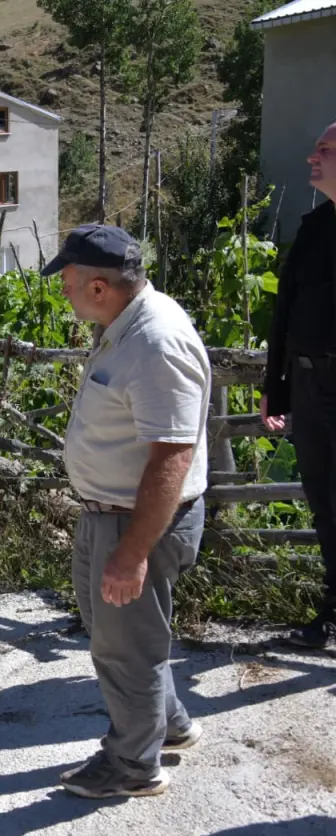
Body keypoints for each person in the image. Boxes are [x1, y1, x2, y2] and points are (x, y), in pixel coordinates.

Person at [46, 225, 211, 799]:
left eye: (66, 281)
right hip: (108, 514)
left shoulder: (155, 341)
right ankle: (168, 725)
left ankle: (134, 765)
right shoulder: (128, 323)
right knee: (116, 635)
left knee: (126, 647)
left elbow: (172, 455)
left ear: (98, 287)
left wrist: (133, 550)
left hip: (132, 522)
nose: (62, 290)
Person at [261, 120, 336, 649]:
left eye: (324, 150)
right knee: (323, 500)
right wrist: (276, 382)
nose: (312, 158)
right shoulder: (313, 228)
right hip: (310, 388)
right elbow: (283, 310)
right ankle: (332, 616)